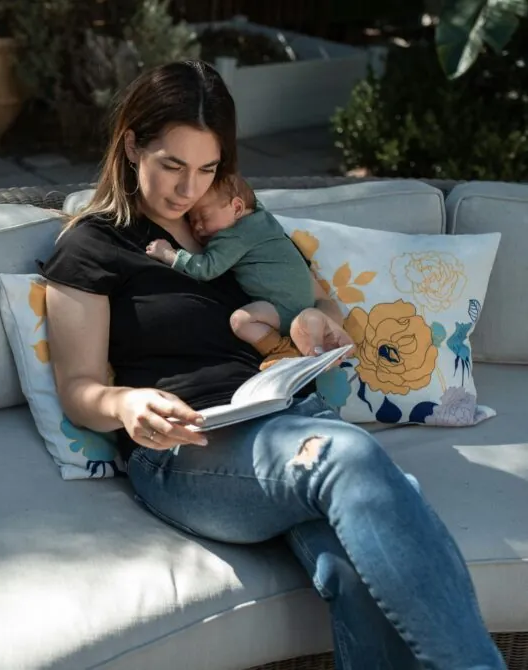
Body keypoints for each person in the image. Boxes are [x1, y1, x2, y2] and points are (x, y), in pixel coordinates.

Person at [38, 59, 505, 669]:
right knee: (351, 458)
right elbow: (78, 388)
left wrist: (319, 320)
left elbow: (312, 298)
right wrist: (126, 404)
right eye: (172, 166)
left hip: (288, 413)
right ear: (132, 145)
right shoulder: (92, 245)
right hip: (190, 446)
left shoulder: (231, 221)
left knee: (356, 562)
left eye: (207, 169)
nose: (188, 191)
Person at [144, 173, 352, 369]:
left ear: (237, 208)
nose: (197, 226)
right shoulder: (264, 219)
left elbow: (206, 268)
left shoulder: (233, 236)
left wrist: (170, 254)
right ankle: (303, 332)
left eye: (203, 216)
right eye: (191, 219)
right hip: (303, 302)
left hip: (281, 308)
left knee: (241, 321)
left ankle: (281, 350)